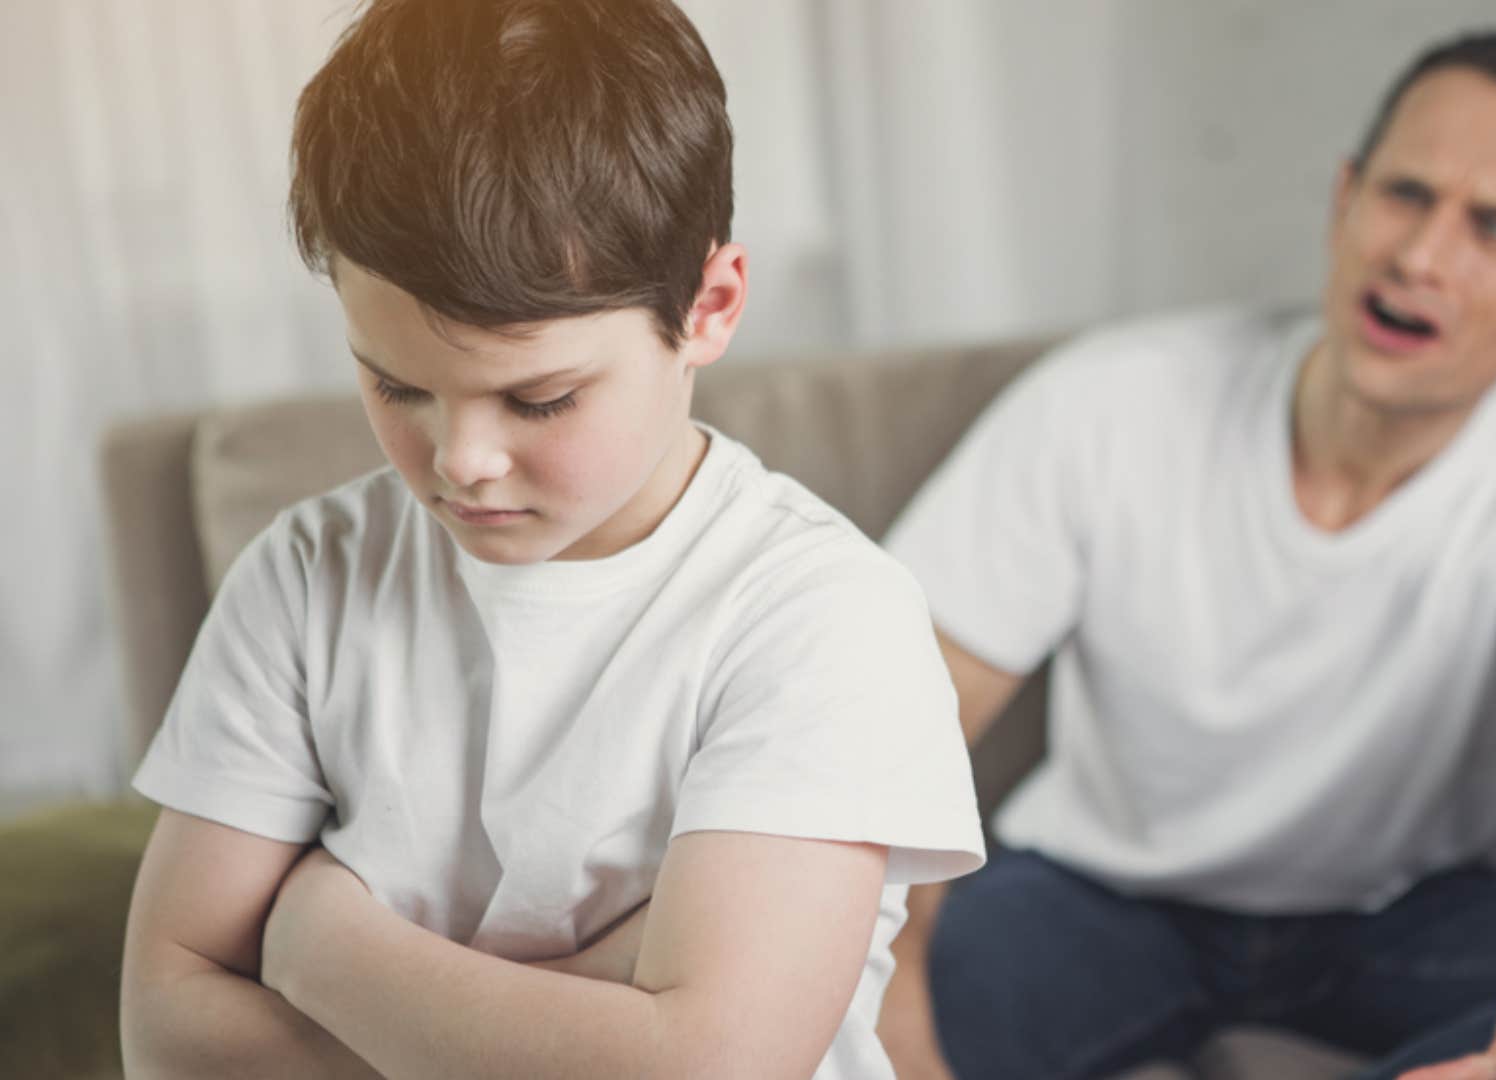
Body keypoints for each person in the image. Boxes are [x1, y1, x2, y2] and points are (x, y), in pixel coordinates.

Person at [877, 30, 1496, 1080]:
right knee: (806, 985)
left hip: (1408, 919)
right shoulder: (1108, 404)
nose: (1420, 257)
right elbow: (887, 729)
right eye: (1406, 195)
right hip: (1106, 896)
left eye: (1493, 228)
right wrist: (889, 990)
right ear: (1343, 200)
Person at [117, 2, 983, 1077]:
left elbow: (706, 1067)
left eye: (538, 399)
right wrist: (594, 1011)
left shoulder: (819, 615)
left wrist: (321, 943)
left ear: (708, 308)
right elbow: (167, 1034)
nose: (460, 458)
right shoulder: (305, 580)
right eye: (396, 385)